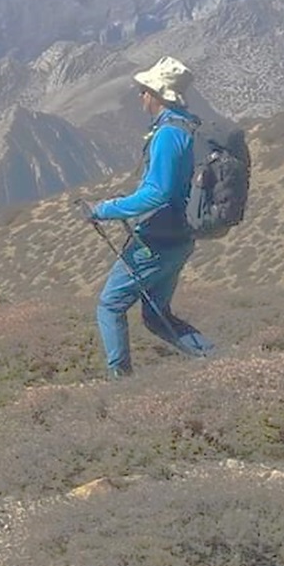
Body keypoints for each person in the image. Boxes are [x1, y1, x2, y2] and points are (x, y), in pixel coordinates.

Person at [85, 56, 214, 378]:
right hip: (179, 236)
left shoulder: (169, 134)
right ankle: (218, 363)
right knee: (156, 315)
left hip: (157, 239)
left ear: (156, 94)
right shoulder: (188, 124)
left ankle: (121, 381)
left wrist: (104, 210)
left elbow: (157, 193)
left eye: (144, 90)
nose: (141, 95)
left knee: (110, 305)